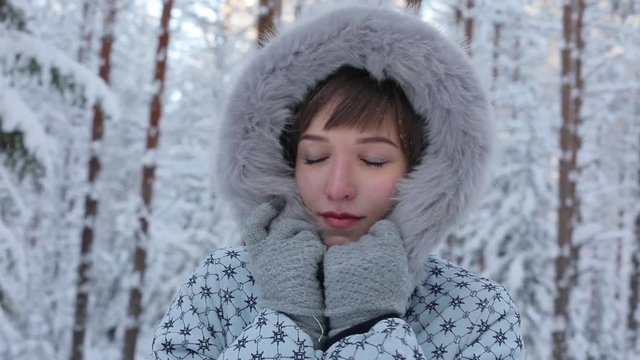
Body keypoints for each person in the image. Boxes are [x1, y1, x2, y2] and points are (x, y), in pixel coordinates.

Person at [152, 2, 524, 359]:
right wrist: (286, 322)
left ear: (424, 171)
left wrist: (369, 325)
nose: (338, 187)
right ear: (285, 161)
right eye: (315, 157)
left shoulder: (477, 313)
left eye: (373, 160)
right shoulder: (220, 285)